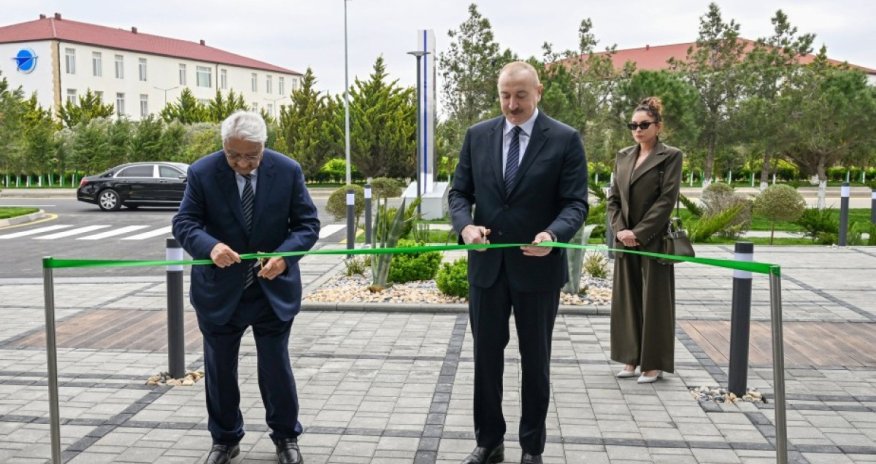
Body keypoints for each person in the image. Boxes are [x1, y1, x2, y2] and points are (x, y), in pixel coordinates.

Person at [448, 61, 589, 464]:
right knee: (486, 360)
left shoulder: (564, 139)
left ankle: (532, 448)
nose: (512, 105)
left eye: (521, 96)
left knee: (535, 362)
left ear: (538, 91)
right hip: (487, 270)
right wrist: (466, 227)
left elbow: (576, 202)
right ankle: (489, 441)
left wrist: (553, 235)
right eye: (505, 96)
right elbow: (459, 193)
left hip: (538, 270)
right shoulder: (477, 136)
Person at [172, 111, 319, 464]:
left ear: (263, 147)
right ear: (224, 147)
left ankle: (286, 437)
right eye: (232, 154)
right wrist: (211, 247)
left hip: (272, 288)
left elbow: (307, 224)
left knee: (276, 367)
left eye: (250, 156)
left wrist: (284, 257)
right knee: (220, 369)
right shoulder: (203, 172)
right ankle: (224, 439)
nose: (241, 163)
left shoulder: (287, 170)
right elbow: (185, 222)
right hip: (220, 292)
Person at [607, 97, 683, 384]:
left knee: (655, 303)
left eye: (644, 125)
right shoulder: (623, 155)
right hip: (624, 239)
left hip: (652, 240)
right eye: (633, 125)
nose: (637, 129)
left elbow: (666, 201)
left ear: (658, 126)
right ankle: (630, 358)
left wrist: (638, 233)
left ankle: (653, 364)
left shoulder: (671, 156)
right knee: (626, 300)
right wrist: (620, 230)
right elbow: (613, 199)